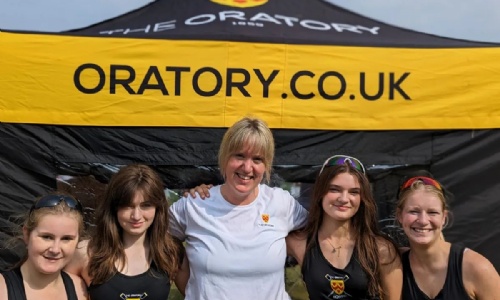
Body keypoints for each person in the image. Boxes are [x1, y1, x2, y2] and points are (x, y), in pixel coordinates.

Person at [169, 116, 309, 300]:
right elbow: (157, 236)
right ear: (225, 157)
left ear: (266, 165)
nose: (247, 167)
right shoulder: (195, 204)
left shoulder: (281, 203)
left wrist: (295, 245)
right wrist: (189, 287)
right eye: (239, 156)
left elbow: (321, 227)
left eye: (257, 159)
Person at [286, 155, 403, 299]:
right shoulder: (298, 242)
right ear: (320, 192)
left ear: (362, 198)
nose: (344, 199)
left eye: (354, 192)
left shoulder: (381, 249)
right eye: (335, 189)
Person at [65, 164, 184, 299]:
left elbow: (201, 291)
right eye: (128, 206)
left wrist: (201, 193)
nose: (136, 216)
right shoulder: (87, 252)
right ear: (114, 208)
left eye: (146, 205)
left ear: (158, 208)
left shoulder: (171, 252)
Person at [396, 174, 500, 299]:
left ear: (444, 218)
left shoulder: (476, 268)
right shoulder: (394, 267)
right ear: (400, 216)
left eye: (432, 212)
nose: (423, 220)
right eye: (414, 211)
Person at [0, 193, 88, 300]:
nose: (55, 249)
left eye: (66, 239)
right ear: (27, 234)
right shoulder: (2, 289)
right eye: (47, 237)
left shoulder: (80, 289)